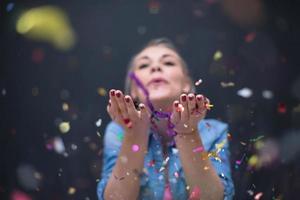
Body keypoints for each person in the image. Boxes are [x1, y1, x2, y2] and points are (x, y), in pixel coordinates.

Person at [97, 38, 234, 200]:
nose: (155, 67)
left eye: (168, 63)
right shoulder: (118, 131)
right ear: (133, 89)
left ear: (187, 84)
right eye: (144, 65)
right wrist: (135, 136)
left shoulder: (214, 131)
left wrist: (188, 133)